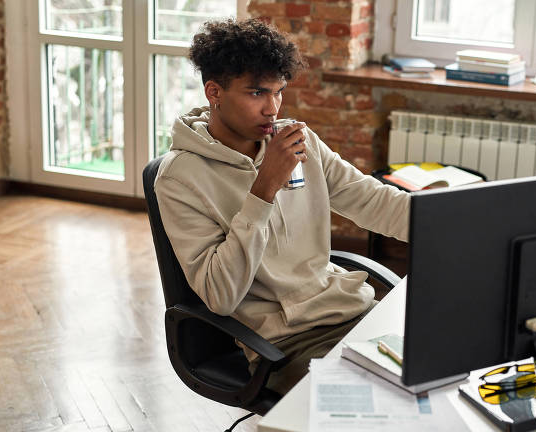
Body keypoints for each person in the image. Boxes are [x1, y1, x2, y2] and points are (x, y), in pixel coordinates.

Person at [154, 18, 410, 395]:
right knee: (375, 408)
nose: (272, 109)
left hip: (354, 313)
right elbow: (219, 295)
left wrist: (453, 222)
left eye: (279, 92)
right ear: (214, 92)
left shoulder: (298, 140)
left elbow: (372, 200)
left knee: (441, 377)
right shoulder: (179, 178)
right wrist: (263, 189)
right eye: (257, 93)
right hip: (287, 344)